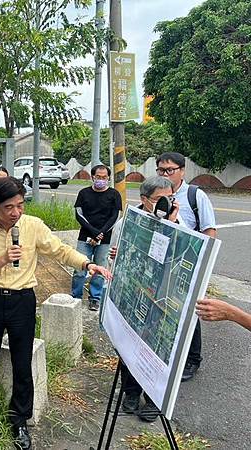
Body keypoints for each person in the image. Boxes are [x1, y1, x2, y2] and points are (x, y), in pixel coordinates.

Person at [0, 176, 111, 450]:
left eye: (20, 205)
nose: (16, 212)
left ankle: (20, 420)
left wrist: (86, 264)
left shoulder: (32, 226)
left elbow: (59, 250)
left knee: (23, 363)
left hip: (23, 300)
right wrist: (2, 260)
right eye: (9, 207)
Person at [109, 176, 180, 423]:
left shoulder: (177, 224)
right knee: (129, 347)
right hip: (134, 295)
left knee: (156, 348)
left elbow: (180, 262)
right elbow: (115, 259)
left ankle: (153, 399)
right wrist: (117, 256)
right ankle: (131, 393)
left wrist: (171, 226)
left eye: (170, 199)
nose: (166, 204)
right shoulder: (127, 222)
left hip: (162, 300)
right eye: (161, 200)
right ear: (144, 200)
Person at [156, 152, 217, 381]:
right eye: (161, 170)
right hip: (163, 262)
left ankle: (192, 360)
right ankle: (172, 354)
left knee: (191, 310)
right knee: (166, 308)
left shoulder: (195, 195)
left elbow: (209, 230)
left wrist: (203, 265)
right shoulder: (156, 193)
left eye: (169, 170)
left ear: (182, 171)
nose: (165, 174)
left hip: (188, 262)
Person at [72, 164, 122, 311]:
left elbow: (115, 216)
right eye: (98, 177)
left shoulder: (114, 195)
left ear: (108, 178)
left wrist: (101, 233)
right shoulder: (83, 193)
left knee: (100, 271)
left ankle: (95, 298)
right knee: (79, 268)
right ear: (93, 177)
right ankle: (76, 297)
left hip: (105, 239)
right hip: (85, 237)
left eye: (104, 177)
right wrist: (93, 232)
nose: (101, 179)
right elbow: (79, 214)